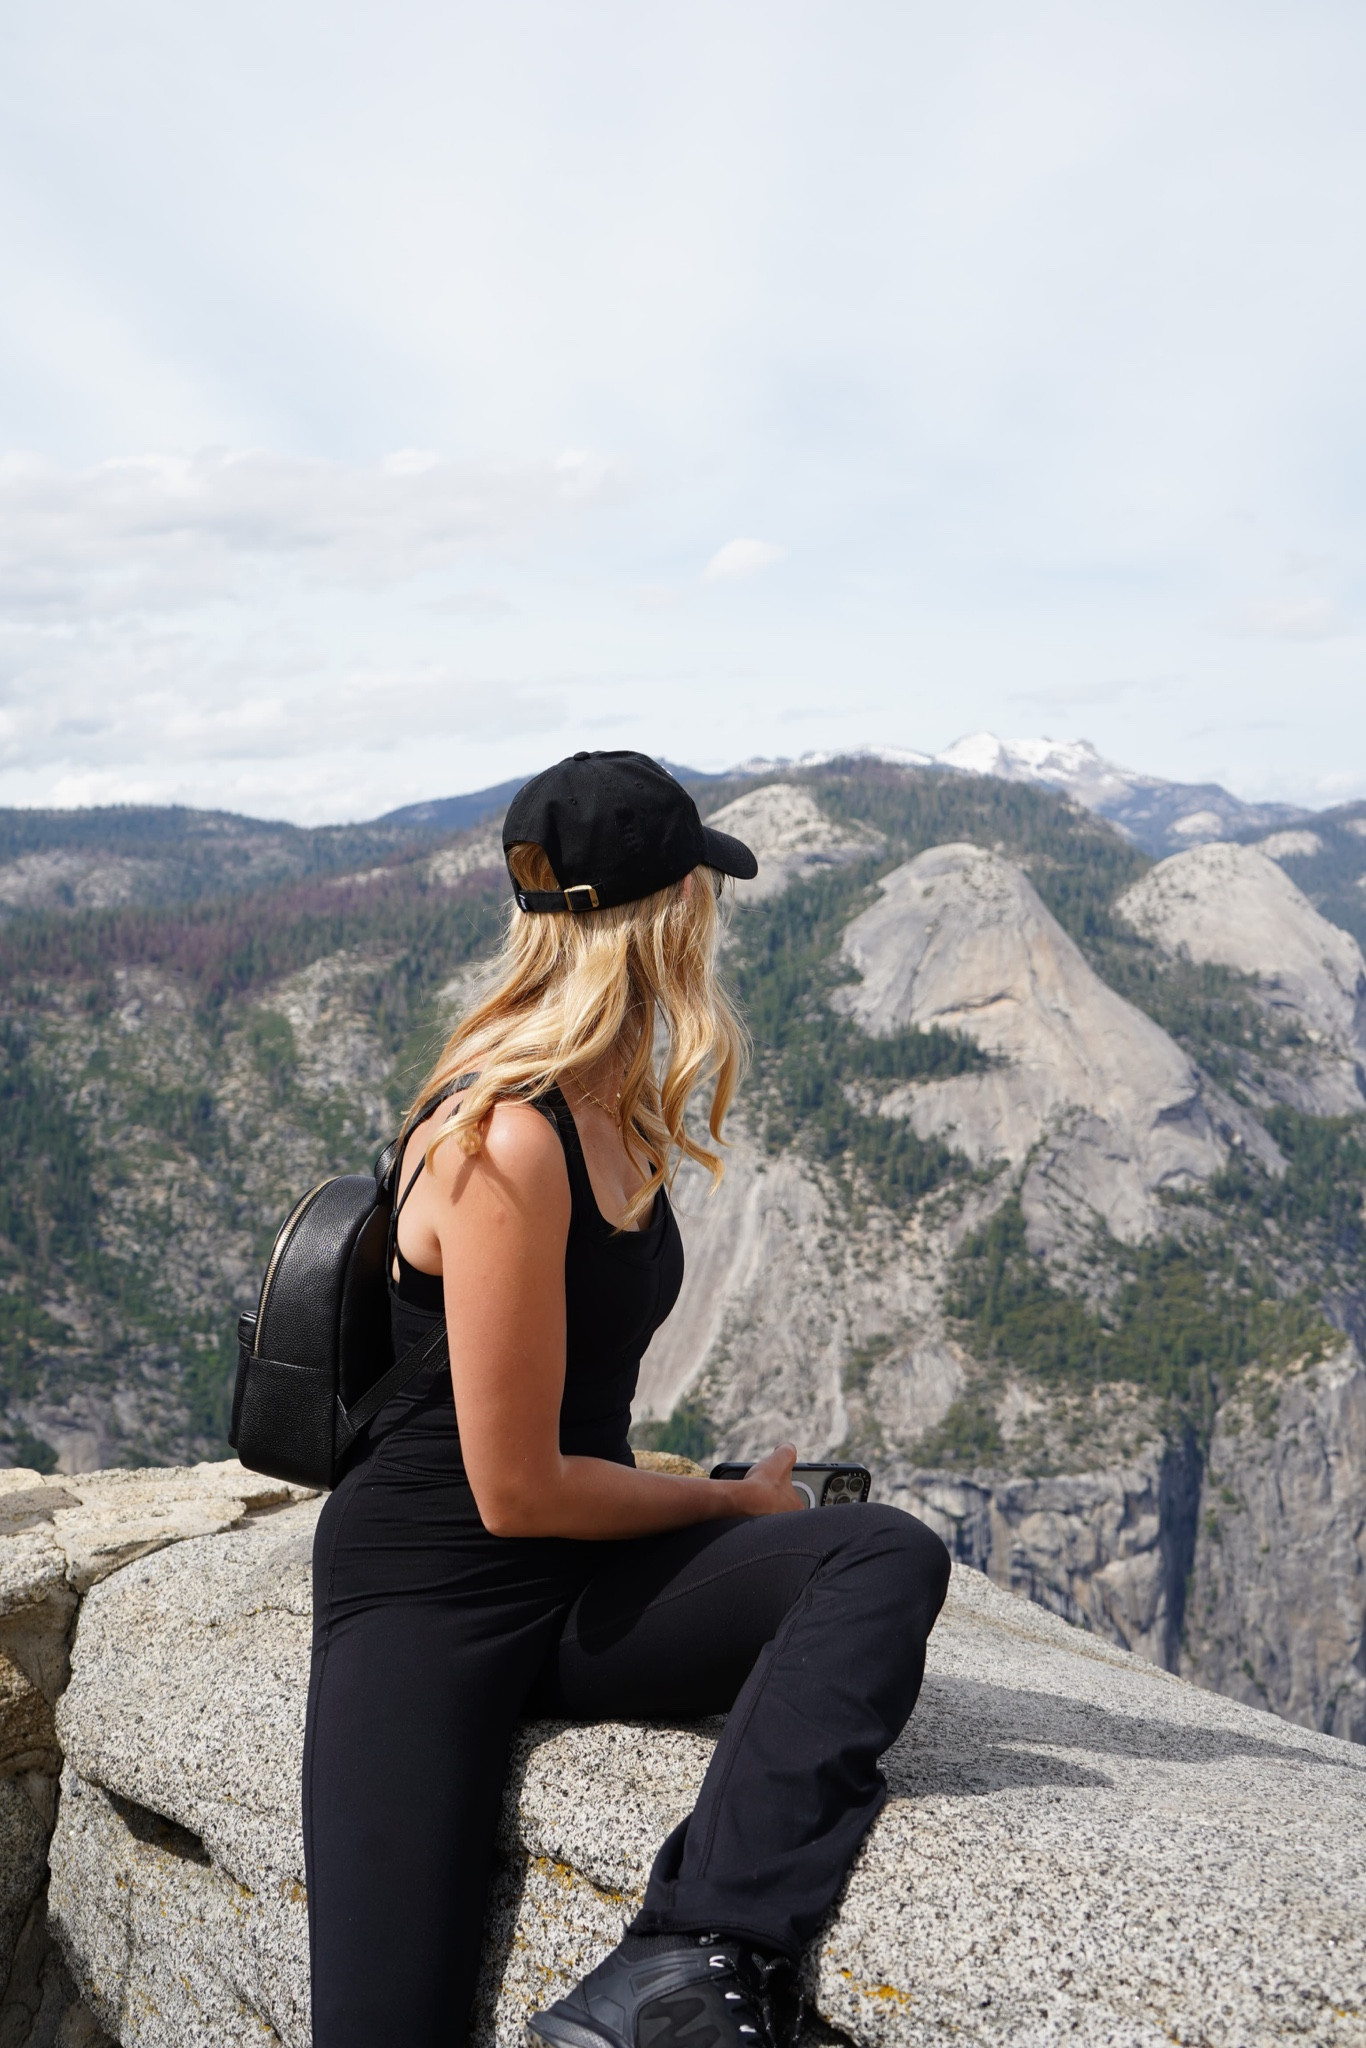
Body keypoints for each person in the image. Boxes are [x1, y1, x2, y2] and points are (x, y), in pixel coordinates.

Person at [302, 749, 952, 2048]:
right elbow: (514, 1485)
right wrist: (721, 1506)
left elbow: (574, 1414)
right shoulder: (500, 1136)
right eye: (700, 893)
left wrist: (727, 1516)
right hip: (431, 1594)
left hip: (573, 1587)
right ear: (669, 914)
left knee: (877, 1557)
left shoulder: (619, 1112)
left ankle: (695, 1954)